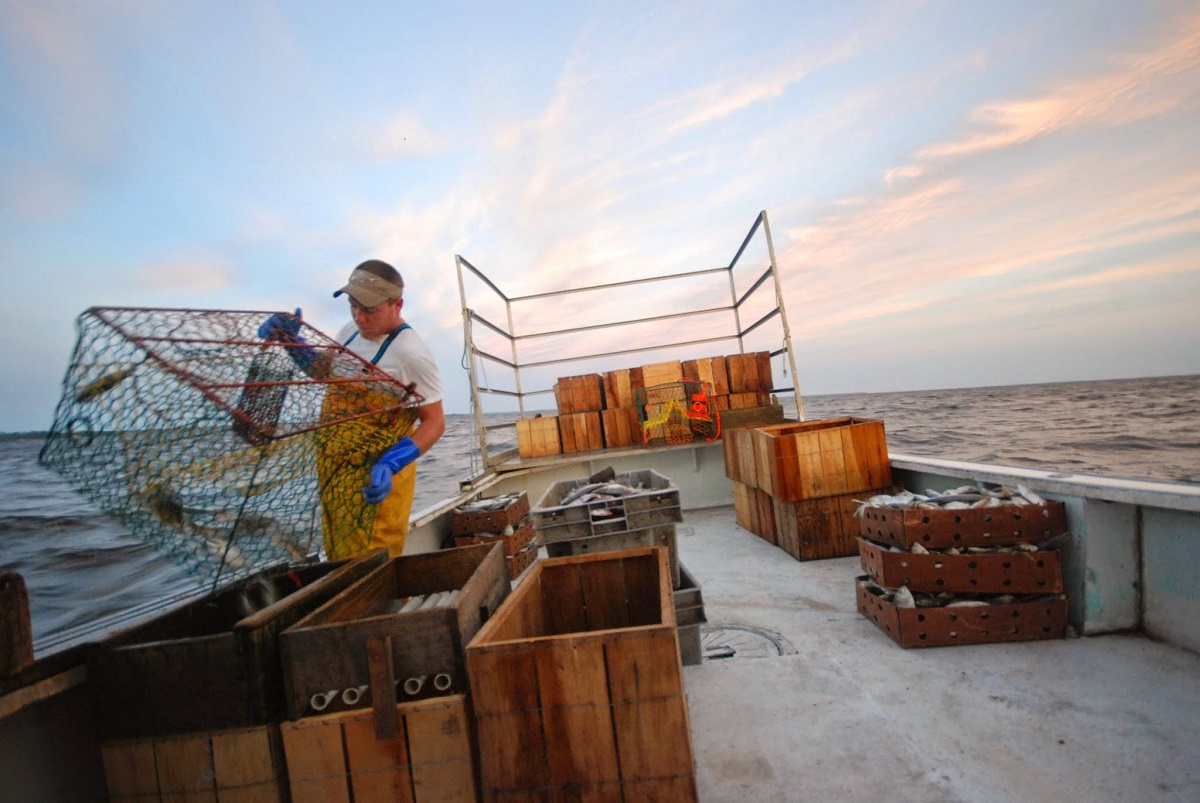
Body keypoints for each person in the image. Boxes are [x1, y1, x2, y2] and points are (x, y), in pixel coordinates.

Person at [260, 259, 445, 559]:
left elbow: (434, 422)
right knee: (338, 553)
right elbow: (323, 371)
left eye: (369, 309)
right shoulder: (349, 331)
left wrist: (392, 463)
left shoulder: (412, 354)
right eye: (352, 306)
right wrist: (292, 341)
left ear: (397, 304)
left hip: (380, 481)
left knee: (374, 566)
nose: (359, 317)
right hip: (338, 473)